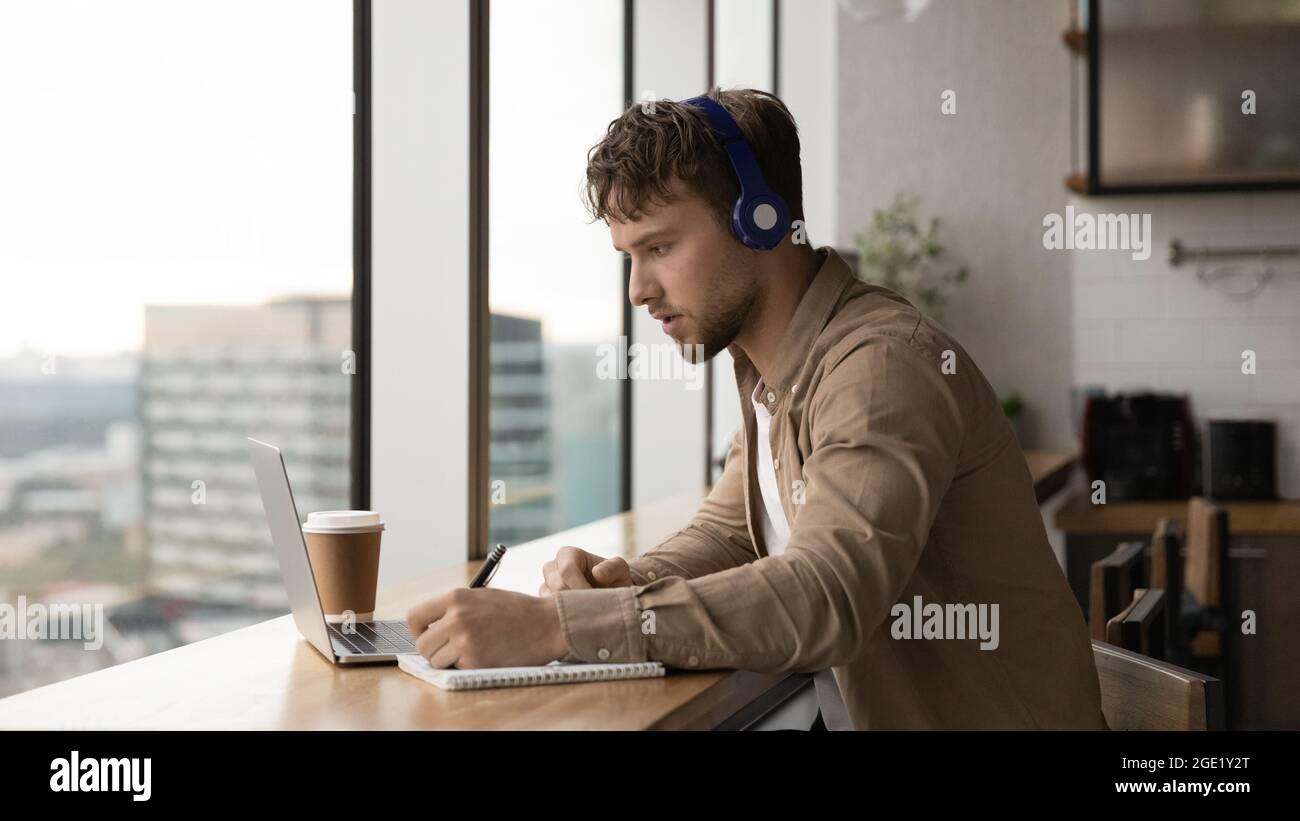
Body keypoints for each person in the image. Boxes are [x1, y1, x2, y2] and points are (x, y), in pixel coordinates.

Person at [407, 87, 1108, 730]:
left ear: (760, 219)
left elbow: (829, 592)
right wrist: (620, 584)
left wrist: (558, 628)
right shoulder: (774, 368)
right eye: (628, 254)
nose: (638, 290)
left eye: (660, 247)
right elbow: (734, 533)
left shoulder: (879, 368)